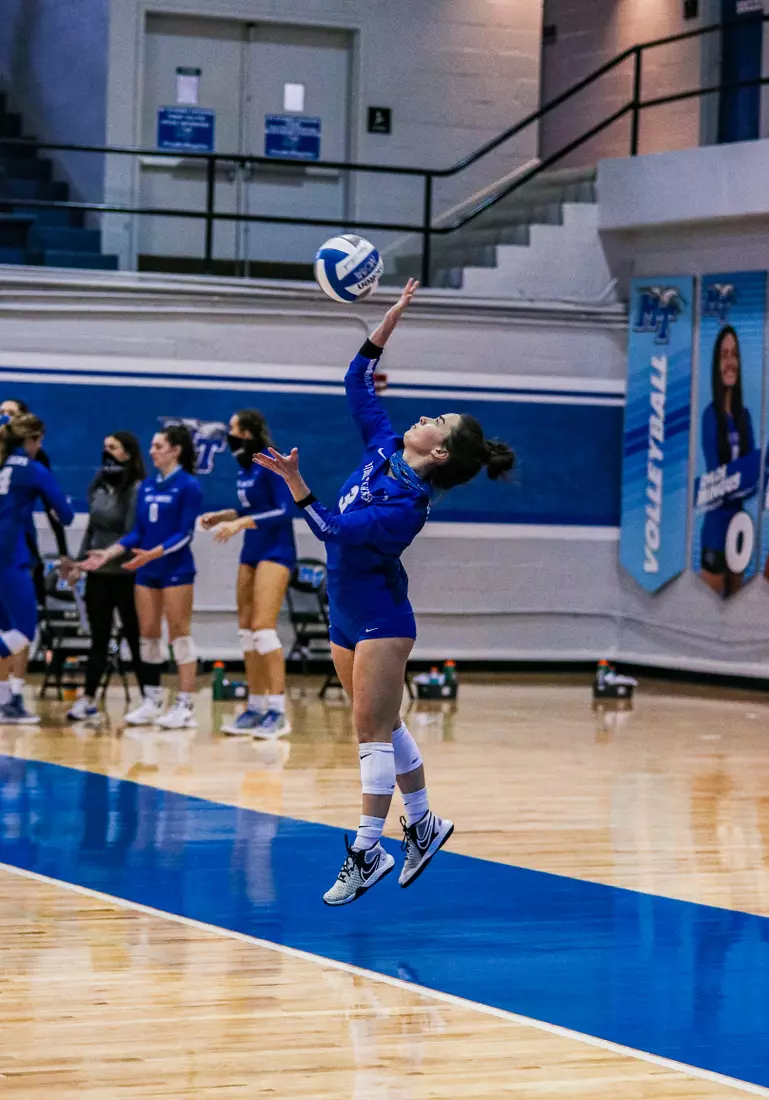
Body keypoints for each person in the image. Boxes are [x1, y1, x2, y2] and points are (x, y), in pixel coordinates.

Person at [256, 279, 514, 906]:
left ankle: (368, 849)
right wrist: (390, 318)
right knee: (383, 723)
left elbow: (337, 533)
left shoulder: (409, 504)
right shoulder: (384, 447)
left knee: (368, 732)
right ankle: (423, 824)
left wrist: (296, 483)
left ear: (442, 449)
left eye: (436, 420)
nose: (423, 416)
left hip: (380, 617)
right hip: (345, 608)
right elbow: (356, 381)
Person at [81, 424, 203, 730]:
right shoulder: (148, 486)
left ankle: (186, 703)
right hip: (145, 569)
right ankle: (152, 699)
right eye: (152, 445)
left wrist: (155, 553)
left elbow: (185, 534)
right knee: (148, 633)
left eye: (159, 446)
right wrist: (107, 553)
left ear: (176, 450)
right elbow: (137, 532)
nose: (152, 451)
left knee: (179, 634)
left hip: (176, 570)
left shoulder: (188, 486)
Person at [200, 409, 296, 738]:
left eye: (233, 428)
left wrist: (241, 523)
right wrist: (223, 516)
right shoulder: (245, 468)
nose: (228, 434)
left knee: (263, 629)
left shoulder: (272, 461)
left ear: (248, 431)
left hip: (276, 551)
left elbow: (285, 510)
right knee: (246, 631)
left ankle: (278, 711)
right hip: (252, 549)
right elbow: (251, 509)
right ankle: (255, 707)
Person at [63, 432, 147, 722]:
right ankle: (87, 700)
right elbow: (92, 529)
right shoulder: (98, 486)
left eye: (113, 448)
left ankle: (149, 698)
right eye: (104, 448)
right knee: (99, 639)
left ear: (127, 453)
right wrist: (79, 562)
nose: (107, 453)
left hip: (125, 573)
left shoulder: (136, 489)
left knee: (136, 637)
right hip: (98, 574)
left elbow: (131, 532)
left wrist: (109, 555)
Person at [0, 413, 74, 723]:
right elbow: (67, 515)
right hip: (10, 558)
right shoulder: (33, 469)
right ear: (32, 441)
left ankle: (6, 703)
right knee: (24, 630)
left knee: (5, 630)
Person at [699, 325, 756, 598]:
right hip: (716, 527)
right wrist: (740, 477)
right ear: (716, 364)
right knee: (709, 613)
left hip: (740, 527)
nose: (730, 361)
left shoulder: (745, 418)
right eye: (724, 355)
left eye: (734, 354)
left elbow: (753, 475)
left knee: (736, 608)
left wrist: (744, 477)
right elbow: (715, 478)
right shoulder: (709, 417)